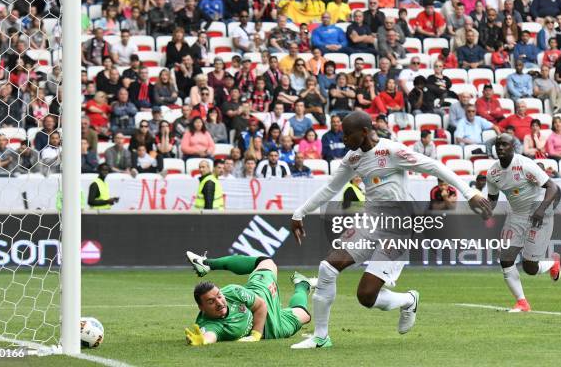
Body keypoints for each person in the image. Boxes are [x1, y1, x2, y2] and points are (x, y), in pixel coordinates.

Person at [290, 111, 492, 349]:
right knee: (327, 267)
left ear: (364, 132)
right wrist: (299, 213)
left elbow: (434, 166)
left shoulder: (392, 151)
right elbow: (329, 189)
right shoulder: (352, 158)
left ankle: (408, 300)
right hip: (370, 220)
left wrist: (469, 193)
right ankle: (321, 337)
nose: (343, 139)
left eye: (347, 134)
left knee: (366, 296)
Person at [486, 134, 561, 312]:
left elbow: (553, 187)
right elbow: (492, 199)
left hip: (539, 214)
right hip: (516, 216)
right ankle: (522, 302)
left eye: (505, 144)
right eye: (498, 145)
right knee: (505, 258)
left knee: (529, 267)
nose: (500, 148)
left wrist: (541, 210)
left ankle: (552, 263)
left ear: (513, 146)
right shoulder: (493, 173)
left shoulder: (526, 165)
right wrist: (483, 208)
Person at [184, 252, 314, 344]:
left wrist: (255, 335)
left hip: (262, 294)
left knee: (266, 262)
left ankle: (207, 264)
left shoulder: (232, 291)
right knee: (304, 314)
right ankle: (303, 284)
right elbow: (210, 335)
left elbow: (261, 305)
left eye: (219, 296)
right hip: (272, 328)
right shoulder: (209, 324)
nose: (219, 303)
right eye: (211, 301)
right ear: (201, 307)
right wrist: (203, 341)